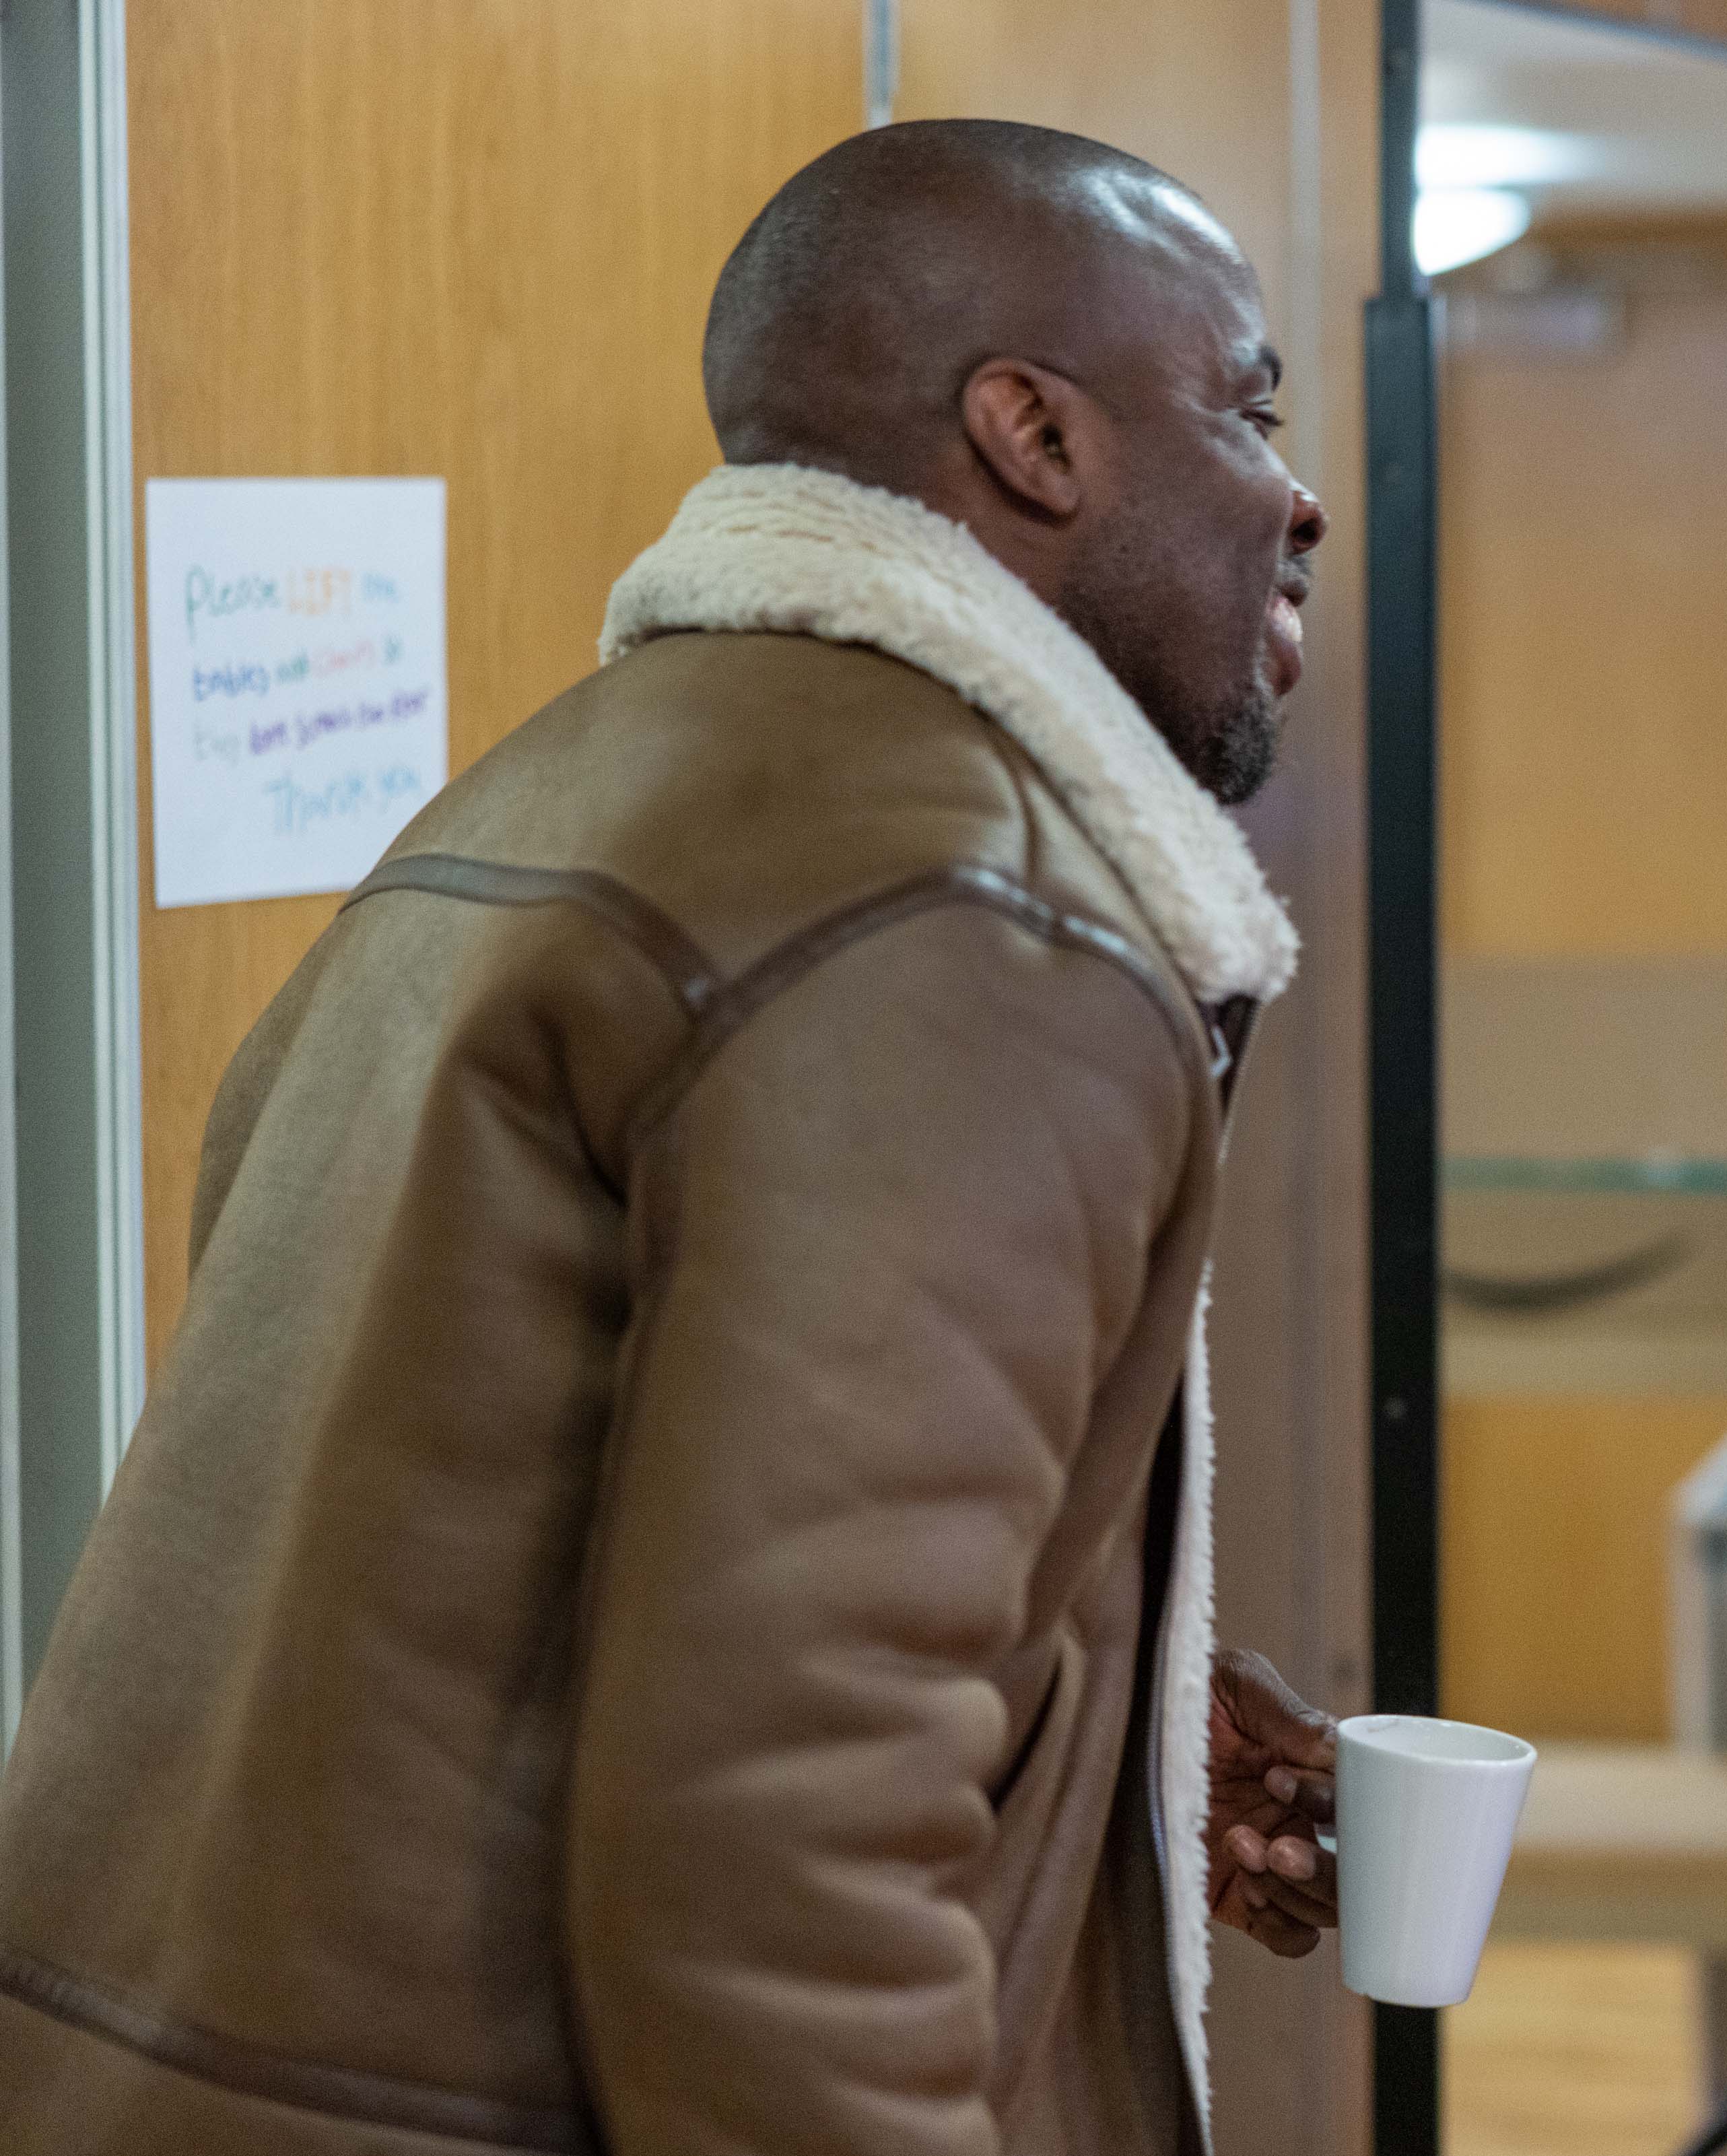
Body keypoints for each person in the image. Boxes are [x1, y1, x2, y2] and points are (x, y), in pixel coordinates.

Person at [0, 121, 1341, 2155]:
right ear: (1032, 439)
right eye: (1248, 406)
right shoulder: (973, 923)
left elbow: (495, 1531)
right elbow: (777, 1856)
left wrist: (1087, 1696)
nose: (1300, 493)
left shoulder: (546, 793)